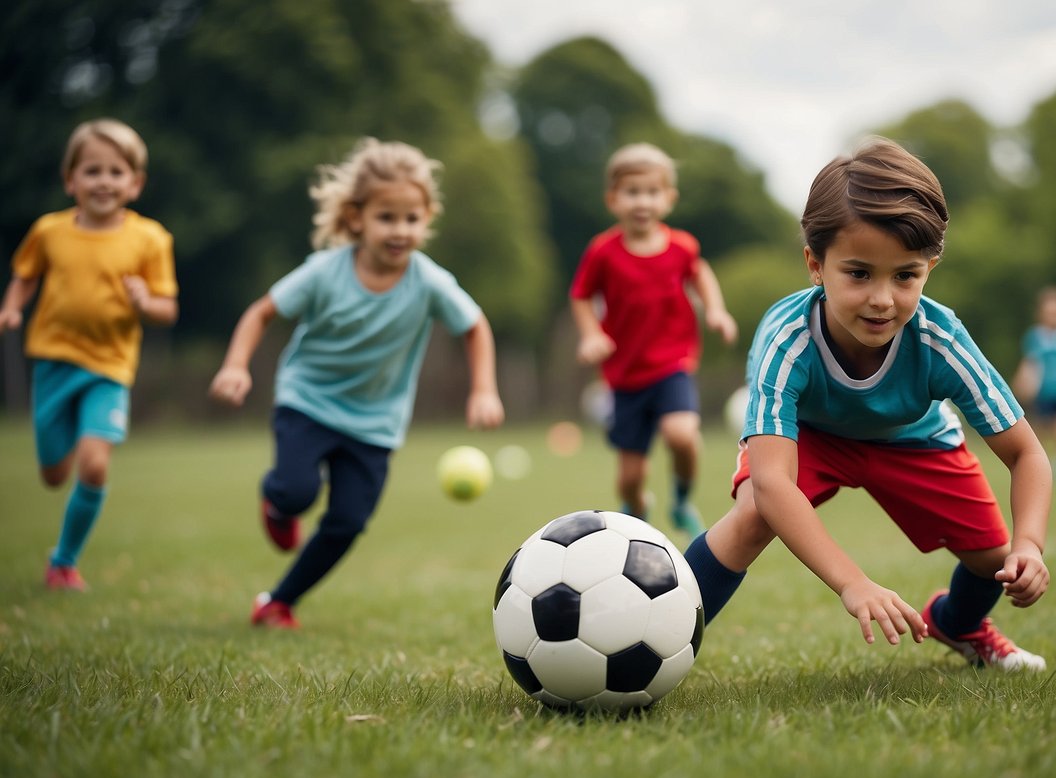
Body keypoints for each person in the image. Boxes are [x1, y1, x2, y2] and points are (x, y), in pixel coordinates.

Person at [681, 137, 1052, 671]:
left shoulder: (939, 340)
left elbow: (1027, 454)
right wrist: (852, 583)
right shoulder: (787, 340)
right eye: (859, 273)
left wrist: (1031, 545)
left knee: (992, 560)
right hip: (810, 438)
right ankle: (662, 636)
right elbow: (773, 483)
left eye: (906, 275)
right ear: (816, 264)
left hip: (914, 439)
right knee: (751, 517)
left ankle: (959, 624)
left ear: (930, 266)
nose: (883, 298)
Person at [209, 138, 504, 629]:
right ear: (356, 219)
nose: (400, 230)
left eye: (412, 219)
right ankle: (277, 500)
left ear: (426, 219)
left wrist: (484, 389)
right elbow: (262, 312)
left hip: (375, 422)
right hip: (308, 400)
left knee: (347, 522)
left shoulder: (428, 281)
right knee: (298, 491)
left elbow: (474, 326)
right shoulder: (325, 272)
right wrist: (236, 365)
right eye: (386, 217)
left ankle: (279, 601)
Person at [0, 118, 178, 591]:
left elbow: (167, 308)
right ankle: (63, 459)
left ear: (135, 183)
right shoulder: (49, 232)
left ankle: (63, 562)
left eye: (116, 172)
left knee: (94, 465)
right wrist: (12, 309)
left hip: (110, 367)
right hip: (54, 362)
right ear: (70, 180)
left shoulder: (150, 240)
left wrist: (146, 303)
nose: (104, 181)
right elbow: (25, 275)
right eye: (92, 170)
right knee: (54, 475)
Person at [570, 143, 738, 537]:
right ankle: (638, 505)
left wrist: (716, 309)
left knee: (682, 435)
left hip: (672, 365)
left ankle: (681, 503)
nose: (641, 201)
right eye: (632, 192)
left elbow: (700, 273)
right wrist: (591, 334)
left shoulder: (681, 247)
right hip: (625, 377)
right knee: (629, 476)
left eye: (651, 192)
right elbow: (579, 295)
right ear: (613, 199)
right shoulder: (603, 252)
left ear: (668, 198)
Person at [1014, 286, 1056, 485]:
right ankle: (1041, 468)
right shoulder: (1034, 337)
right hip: (1043, 392)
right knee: (1041, 432)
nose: (1052, 316)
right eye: (1048, 312)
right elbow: (1029, 363)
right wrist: (1022, 381)